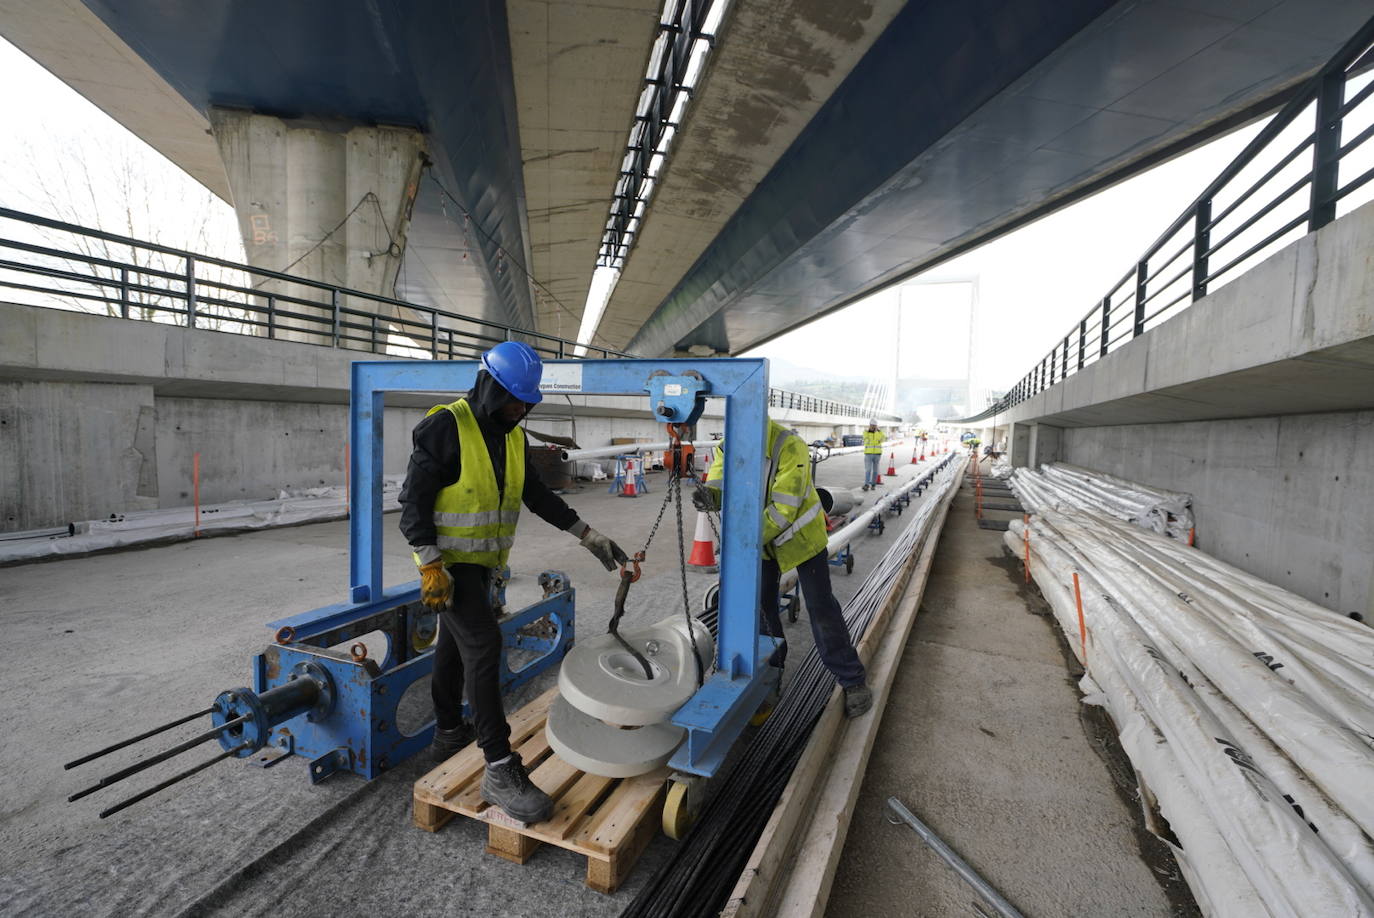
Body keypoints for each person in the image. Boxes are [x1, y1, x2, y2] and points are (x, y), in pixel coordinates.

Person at [399, 341, 629, 824]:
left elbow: (537, 496)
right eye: (511, 399)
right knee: (482, 647)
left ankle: (447, 731)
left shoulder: (513, 438)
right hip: (448, 565)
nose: (518, 409)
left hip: (480, 565)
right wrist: (429, 563)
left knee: (454, 645)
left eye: (526, 402)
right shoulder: (446, 426)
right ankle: (500, 767)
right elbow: (413, 502)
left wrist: (588, 536)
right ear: (488, 386)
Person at [693, 417, 873, 719]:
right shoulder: (728, 445)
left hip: (800, 539)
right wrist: (710, 496)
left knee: (821, 607)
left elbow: (784, 509)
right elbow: (719, 483)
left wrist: (744, 545)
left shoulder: (789, 445)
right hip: (759, 543)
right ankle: (772, 675)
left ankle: (852, 679)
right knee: (763, 610)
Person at [861, 420, 884, 490]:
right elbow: (866, 441)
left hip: (877, 454)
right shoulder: (866, 432)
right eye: (872, 425)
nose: (873, 427)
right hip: (868, 453)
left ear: (876, 426)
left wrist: (876, 432)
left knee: (875, 470)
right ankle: (866, 485)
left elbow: (882, 439)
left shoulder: (880, 432)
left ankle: (873, 484)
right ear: (869, 425)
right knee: (868, 470)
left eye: (874, 426)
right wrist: (875, 437)